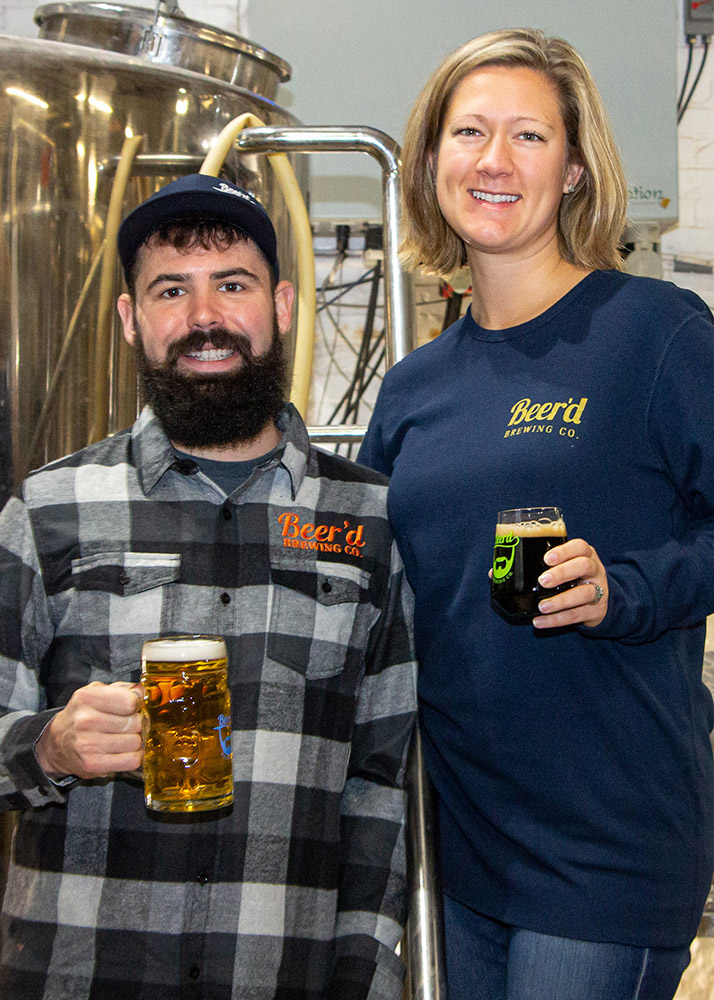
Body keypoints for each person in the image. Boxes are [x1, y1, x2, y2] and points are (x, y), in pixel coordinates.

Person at [358, 28, 714, 1000]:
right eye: (470, 132)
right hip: (461, 852)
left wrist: (627, 588)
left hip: (607, 849)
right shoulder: (415, 389)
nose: (495, 159)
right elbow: (378, 596)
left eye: (528, 135)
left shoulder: (653, 333)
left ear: (572, 170)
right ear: (431, 164)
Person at [0, 173, 416, 1000]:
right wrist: (48, 744)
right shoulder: (48, 509)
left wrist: (364, 976)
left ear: (283, 304)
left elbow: (382, 790)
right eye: (170, 290)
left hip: (279, 977)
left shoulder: (368, 520)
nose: (204, 319)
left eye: (232, 284)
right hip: (77, 974)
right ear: (130, 319)